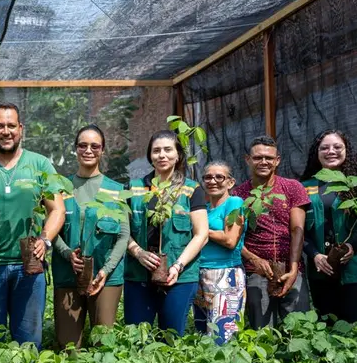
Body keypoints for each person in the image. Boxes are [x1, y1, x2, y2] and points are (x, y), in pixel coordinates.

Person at [0, 102, 66, 349]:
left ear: (21, 128)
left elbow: (57, 209)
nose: (5, 131)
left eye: (10, 125)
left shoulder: (40, 165)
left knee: (29, 343)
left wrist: (44, 239)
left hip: (28, 267)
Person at [124, 130, 209, 335]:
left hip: (178, 277)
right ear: (150, 156)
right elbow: (122, 231)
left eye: (168, 150)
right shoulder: (134, 188)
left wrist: (178, 265)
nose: (162, 155)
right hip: (138, 275)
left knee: (171, 337)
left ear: (178, 155)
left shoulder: (191, 189)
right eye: (156, 151)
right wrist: (138, 253)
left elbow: (201, 234)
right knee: (135, 337)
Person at [51, 125, 128, 349]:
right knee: (68, 347)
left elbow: (123, 236)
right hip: (68, 275)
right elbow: (50, 230)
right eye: (82, 145)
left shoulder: (115, 189)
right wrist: (67, 254)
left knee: (103, 344)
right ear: (75, 149)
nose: (88, 150)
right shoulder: (60, 187)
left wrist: (105, 271)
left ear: (102, 150)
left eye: (95, 146)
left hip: (106, 278)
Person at [301, 130, 357, 323]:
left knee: (354, 324)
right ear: (317, 153)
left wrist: (352, 246)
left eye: (337, 147)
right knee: (326, 323)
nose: (331, 151)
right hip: (321, 266)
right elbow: (298, 231)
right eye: (324, 148)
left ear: (347, 151)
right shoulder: (303, 187)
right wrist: (314, 254)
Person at [233, 136, 310, 329]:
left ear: (277, 160)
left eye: (269, 158)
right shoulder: (238, 195)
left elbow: (297, 230)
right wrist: (254, 259)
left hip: (290, 268)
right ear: (247, 160)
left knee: (299, 327)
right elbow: (233, 238)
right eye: (258, 157)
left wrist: (293, 269)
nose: (264, 162)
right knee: (262, 330)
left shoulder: (292, 188)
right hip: (256, 271)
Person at [193, 161, 246, 344]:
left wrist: (200, 230)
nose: (213, 181)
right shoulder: (205, 210)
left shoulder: (234, 203)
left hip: (226, 275)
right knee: (202, 332)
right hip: (200, 274)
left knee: (222, 336)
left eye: (219, 177)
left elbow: (231, 240)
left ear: (230, 182)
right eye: (208, 177)